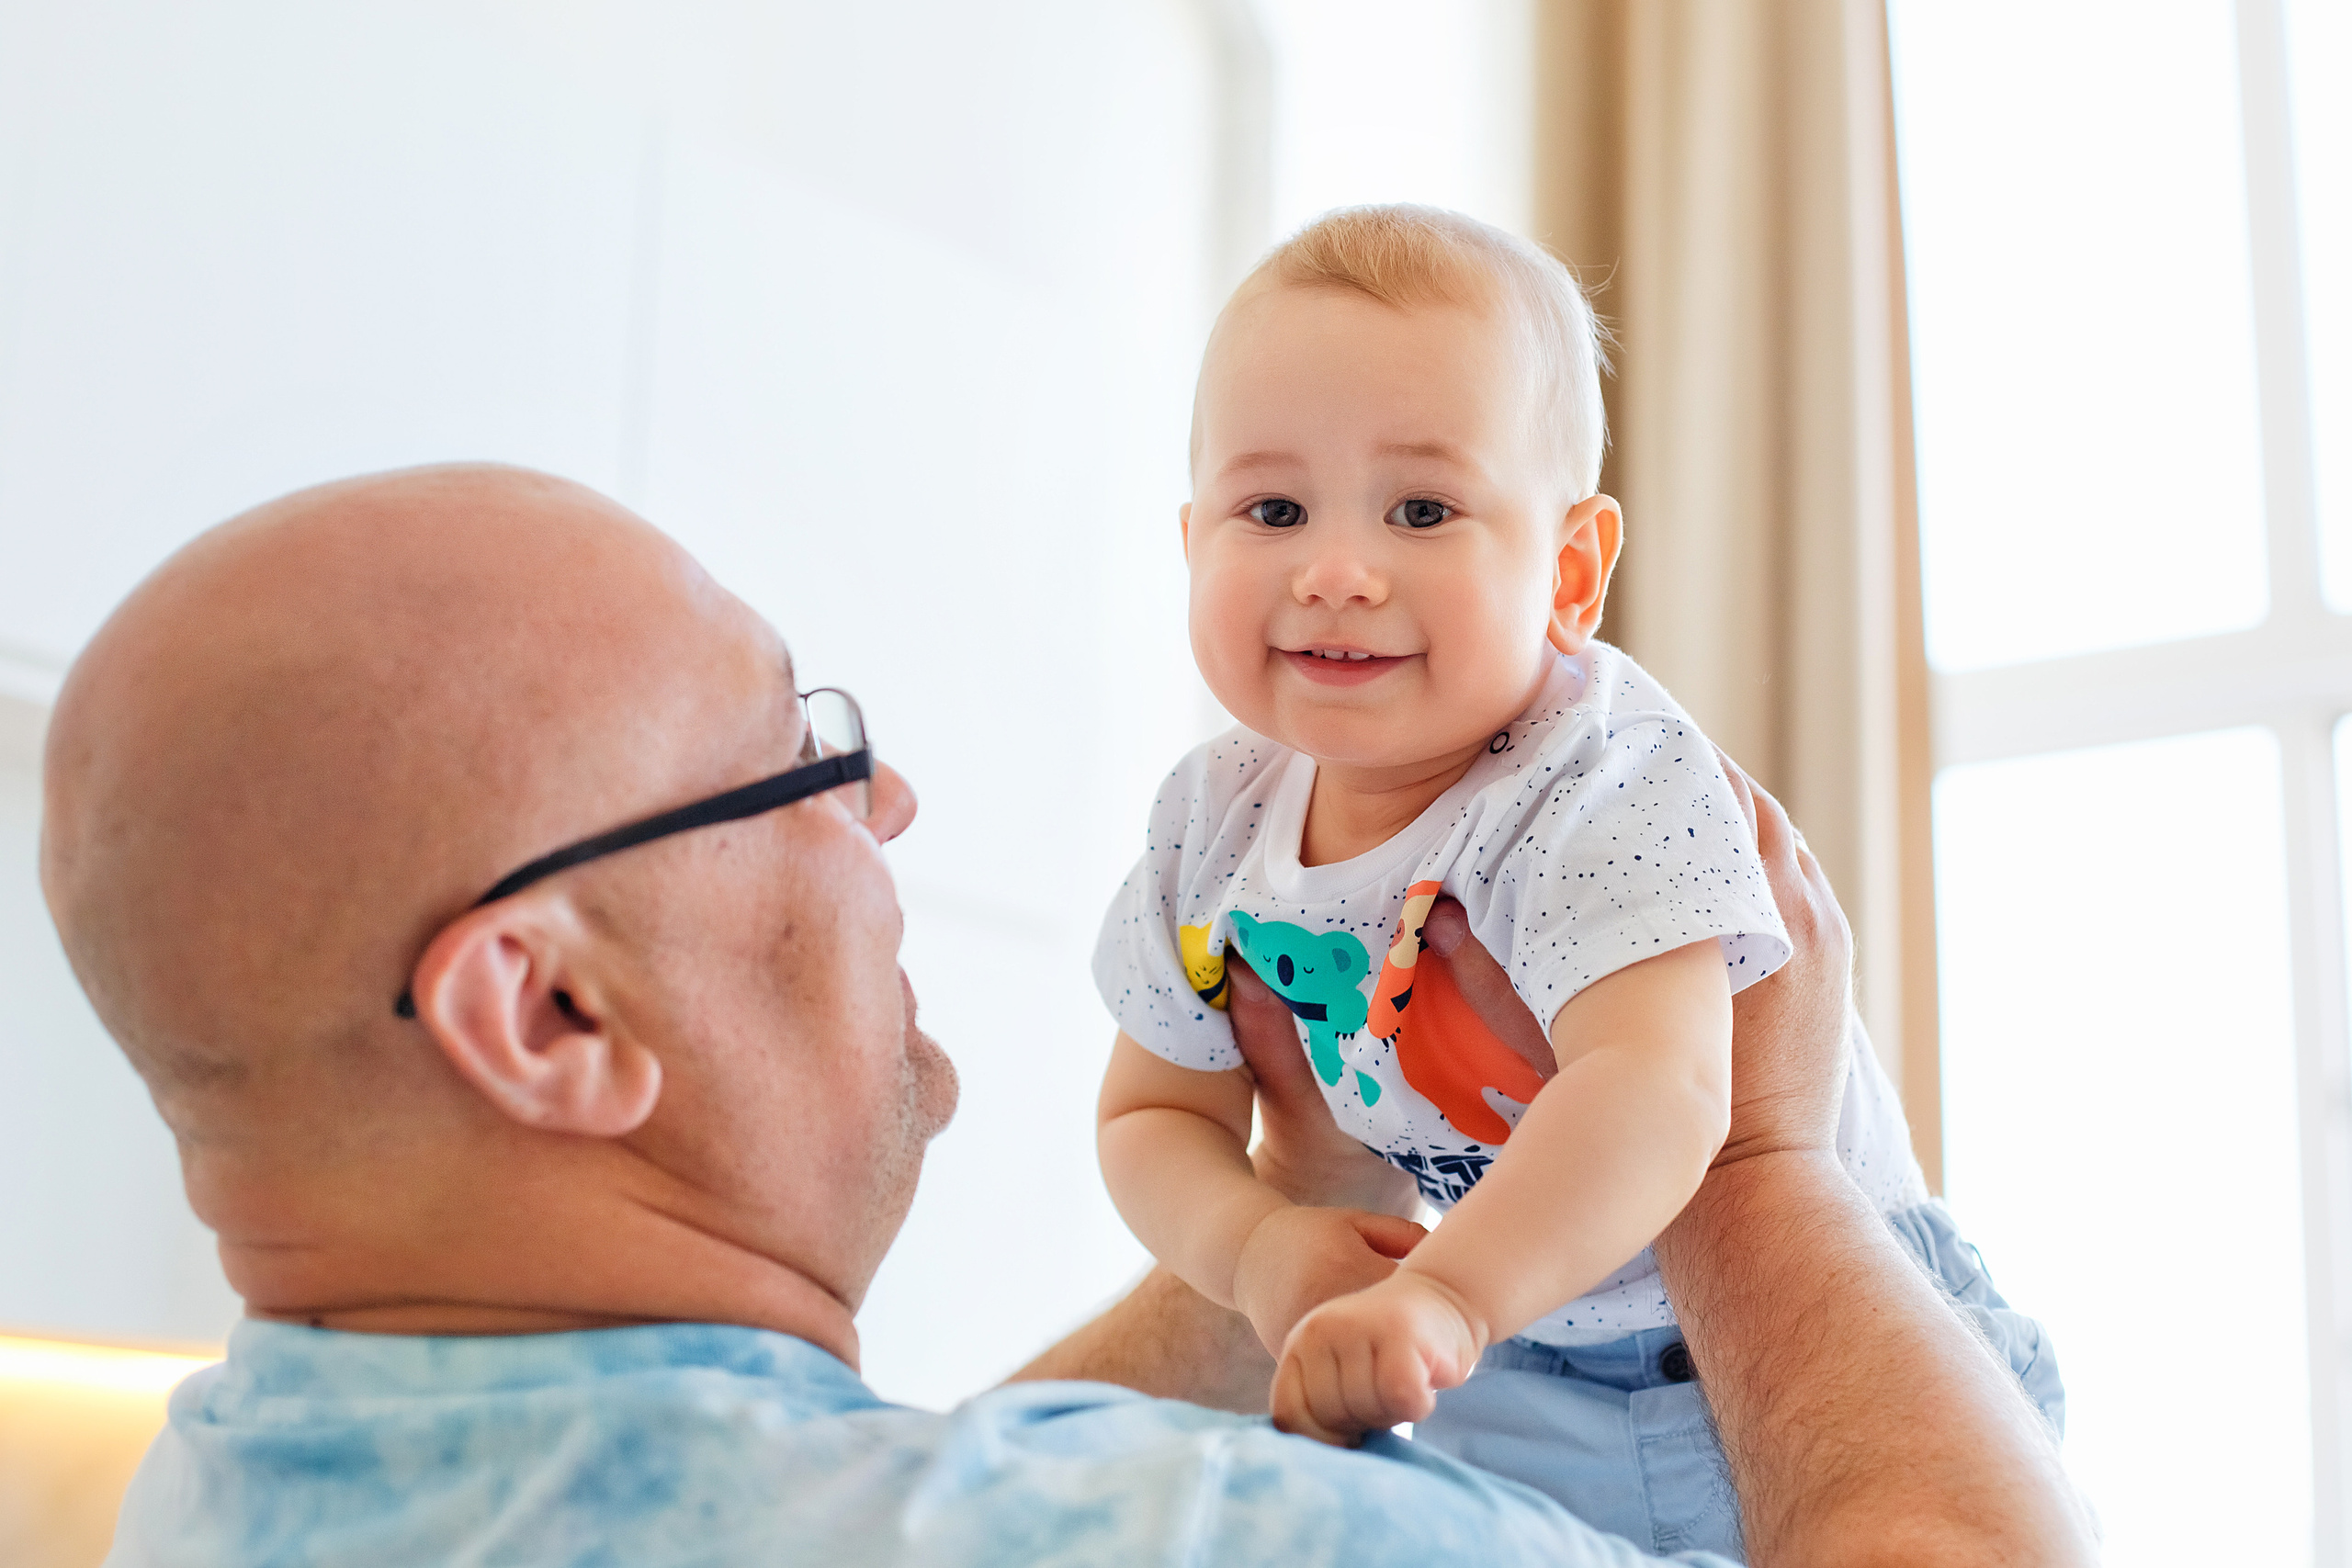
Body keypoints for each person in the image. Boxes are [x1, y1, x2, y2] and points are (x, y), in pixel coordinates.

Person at [40, 465, 2093, 1565]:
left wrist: (1299, 1193)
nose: (888, 807)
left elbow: (864, 1491)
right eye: (795, 760)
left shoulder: (216, 1494)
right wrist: (1747, 1159)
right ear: (551, 1009)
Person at [1091, 206, 2057, 1552]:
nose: (1336, 572)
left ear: (1571, 570)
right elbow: (1153, 1115)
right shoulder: (1213, 821)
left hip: (1773, 1338)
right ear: (1191, 537)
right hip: (1519, 1358)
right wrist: (1257, 1242)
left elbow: (1657, 1092)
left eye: (1422, 509)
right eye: (1273, 508)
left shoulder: (1601, 778)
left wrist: (1451, 1301)